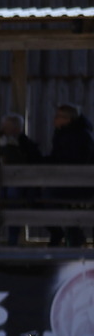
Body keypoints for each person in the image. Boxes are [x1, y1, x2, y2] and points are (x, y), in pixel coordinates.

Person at [45, 103, 94, 247]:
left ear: (68, 119)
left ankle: (72, 236)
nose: (54, 119)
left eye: (58, 116)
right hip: (64, 182)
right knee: (37, 196)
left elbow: (77, 161)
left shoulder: (81, 136)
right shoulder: (62, 134)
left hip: (80, 185)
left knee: (49, 197)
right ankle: (66, 234)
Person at [0, 113, 42, 245]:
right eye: (5, 127)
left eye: (10, 127)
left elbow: (33, 163)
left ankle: (12, 240)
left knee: (13, 197)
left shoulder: (26, 144)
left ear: (18, 129)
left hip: (20, 185)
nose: (6, 130)